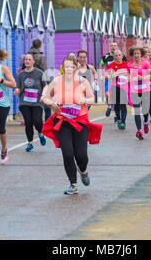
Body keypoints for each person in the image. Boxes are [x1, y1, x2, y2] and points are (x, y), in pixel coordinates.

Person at [41, 55, 102, 195]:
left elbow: (92, 98)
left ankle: (83, 170)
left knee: (81, 156)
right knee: (68, 153)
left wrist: (85, 100)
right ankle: (73, 183)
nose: (69, 69)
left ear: (76, 68)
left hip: (80, 121)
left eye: (72, 66)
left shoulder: (82, 81)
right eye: (66, 66)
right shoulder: (56, 81)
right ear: (63, 68)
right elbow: (45, 97)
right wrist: (52, 103)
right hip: (62, 121)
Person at [14, 53, 47, 152]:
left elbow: (45, 85)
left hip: (37, 101)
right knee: (28, 122)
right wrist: (17, 91)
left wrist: (44, 95)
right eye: (26, 60)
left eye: (29, 59)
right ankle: (30, 143)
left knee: (37, 120)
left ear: (33, 61)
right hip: (24, 102)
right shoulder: (21, 74)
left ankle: (40, 133)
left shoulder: (39, 73)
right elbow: (19, 87)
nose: (27, 61)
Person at [128, 46, 151, 140]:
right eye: (134, 54)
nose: (136, 55)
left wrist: (142, 78)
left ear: (141, 54)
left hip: (145, 90)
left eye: (138, 53)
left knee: (145, 110)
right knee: (137, 111)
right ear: (132, 55)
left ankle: (146, 121)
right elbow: (128, 76)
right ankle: (139, 130)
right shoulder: (129, 65)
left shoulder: (145, 63)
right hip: (134, 91)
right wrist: (129, 79)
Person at [105, 49, 129, 130]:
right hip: (114, 87)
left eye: (119, 55)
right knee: (117, 105)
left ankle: (123, 122)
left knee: (123, 104)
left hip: (124, 87)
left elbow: (131, 75)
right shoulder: (111, 65)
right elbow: (106, 75)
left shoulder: (126, 64)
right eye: (116, 55)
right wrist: (111, 76)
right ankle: (118, 118)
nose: (118, 57)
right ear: (114, 57)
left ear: (122, 56)